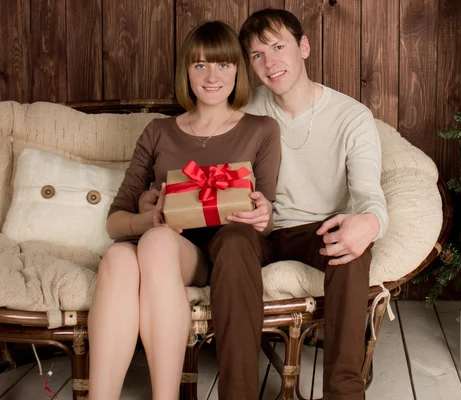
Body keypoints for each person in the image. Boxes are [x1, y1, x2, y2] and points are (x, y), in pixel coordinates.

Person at [140, 9, 388, 400]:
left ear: (303, 47)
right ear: (248, 66)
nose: (270, 62)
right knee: (234, 241)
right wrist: (152, 194)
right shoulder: (242, 109)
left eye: (278, 47)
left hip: (315, 230)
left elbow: (368, 191)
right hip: (251, 229)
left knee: (351, 248)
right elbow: (196, 156)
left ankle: (344, 393)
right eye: (256, 55)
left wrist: (370, 222)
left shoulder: (351, 117)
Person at [88, 21, 281, 400]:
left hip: (215, 255)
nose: (212, 76)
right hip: (158, 243)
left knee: (157, 244)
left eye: (224, 65)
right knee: (116, 259)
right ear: (186, 73)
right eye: (200, 65)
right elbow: (115, 221)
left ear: (239, 71)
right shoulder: (158, 131)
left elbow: (266, 214)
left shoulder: (262, 129)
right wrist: (152, 217)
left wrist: (264, 214)